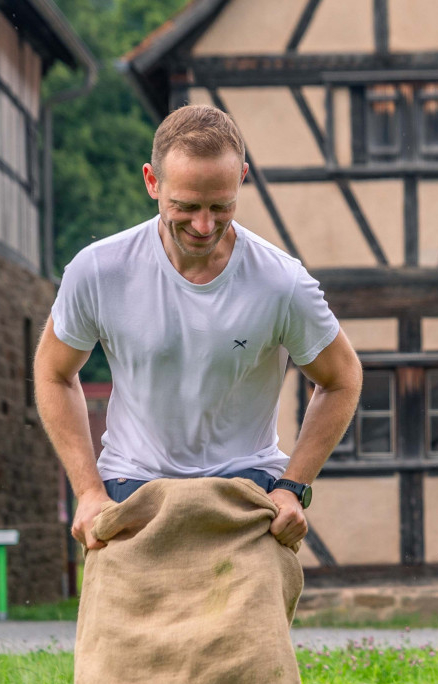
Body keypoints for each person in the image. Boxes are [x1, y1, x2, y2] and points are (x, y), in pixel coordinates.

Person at [34, 103, 361, 553]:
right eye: (186, 207)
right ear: (152, 181)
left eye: (220, 206)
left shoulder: (282, 282)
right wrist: (89, 492)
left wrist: (293, 487)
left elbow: (342, 378)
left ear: (242, 178)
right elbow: (53, 372)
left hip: (247, 494)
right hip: (131, 492)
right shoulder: (98, 271)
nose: (204, 226)